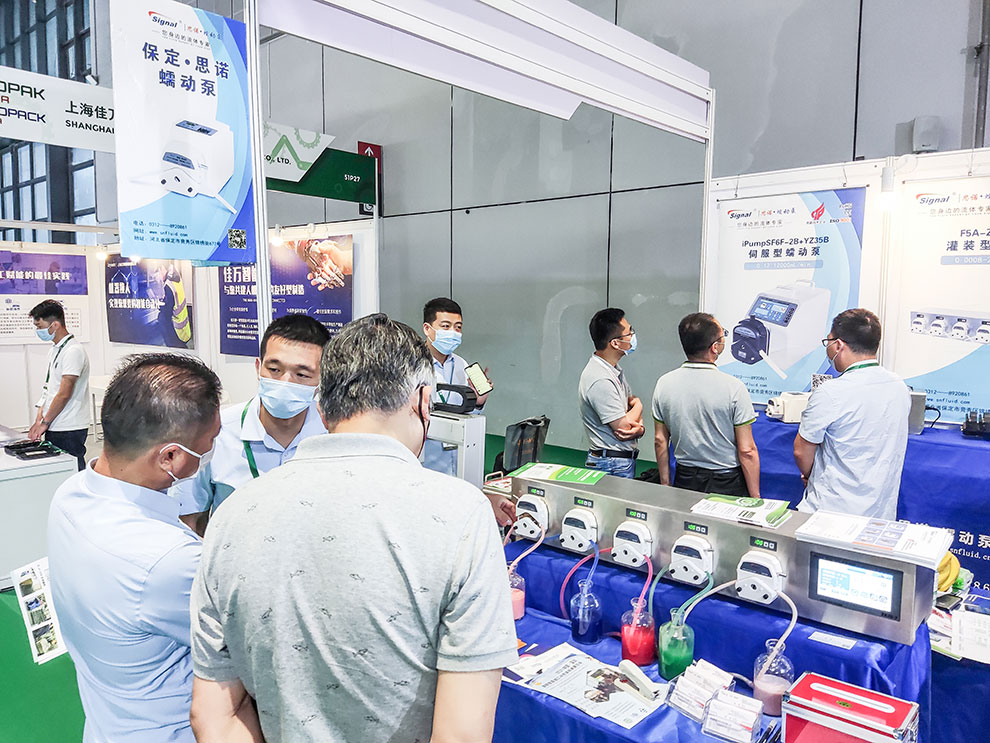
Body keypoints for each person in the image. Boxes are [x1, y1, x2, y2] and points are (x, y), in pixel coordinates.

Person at [189, 314, 518, 743]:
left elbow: (215, 714)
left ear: (322, 407)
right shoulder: (462, 514)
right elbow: (462, 735)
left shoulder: (232, 514)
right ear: (424, 401)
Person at [48, 354, 222, 743]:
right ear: (171, 456)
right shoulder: (167, 561)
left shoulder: (70, 493)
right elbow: (246, 641)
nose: (211, 451)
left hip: (107, 719)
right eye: (209, 443)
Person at [175, 315, 330, 535]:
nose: (285, 382)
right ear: (258, 367)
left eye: (302, 374)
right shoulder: (215, 432)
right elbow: (190, 519)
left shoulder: (333, 435)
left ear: (323, 379)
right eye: (274, 369)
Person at [794, 309, 909, 520]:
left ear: (838, 345)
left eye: (828, 342)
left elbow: (802, 451)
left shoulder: (831, 392)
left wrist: (811, 476)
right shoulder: (899, 386)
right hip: (879, 512)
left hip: (830, 512)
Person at [652, 313, 760, 497]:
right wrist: (755, 497)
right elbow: (747, 450)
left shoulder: (664, 383)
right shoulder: (734, 387)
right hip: (726, 482)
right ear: (715, 347)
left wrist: (665, 484)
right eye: (723, 335)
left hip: (685, 478)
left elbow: (660, 440)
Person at [420, 297, 491, 474]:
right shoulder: (413, 365)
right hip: (427, 461)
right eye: (445, 326)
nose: (453, 332)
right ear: (427, 329)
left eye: (458, 327)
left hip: (459, 457)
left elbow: (467, 414)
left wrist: (478, 402)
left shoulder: (461, 364)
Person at [578, 308, 645, 478]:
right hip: (611, 464)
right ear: (615, 343)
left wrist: (639, 428)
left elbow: (629, 407)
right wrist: (639, 405)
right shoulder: (600, 379)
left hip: (619, 462)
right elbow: (624, 428)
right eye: (629, 333)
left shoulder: (613, 369)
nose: (633, 336)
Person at [28, 299, 91, 470]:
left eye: (40, 326)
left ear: (55, 325)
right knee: (58, 470)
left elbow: (64, 393)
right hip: (55, 422)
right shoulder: (55, 350)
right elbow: (49, 387)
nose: (38, 331)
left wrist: (45, 423)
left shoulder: (73, 351)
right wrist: (40, 417)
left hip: (69, 424)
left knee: (73, 469)